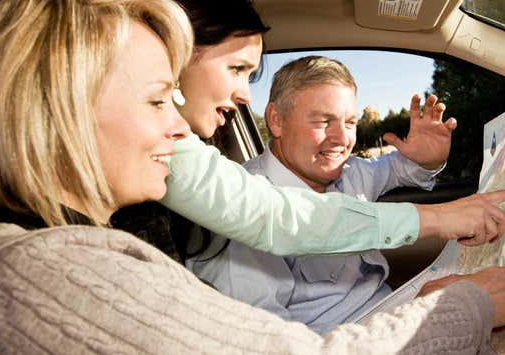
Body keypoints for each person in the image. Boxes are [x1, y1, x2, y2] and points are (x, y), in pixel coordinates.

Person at [0, 0, 505, 353]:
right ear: (63, 106)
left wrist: (428, 173)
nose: (178, 129)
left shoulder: (92, 242)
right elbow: (274, 220)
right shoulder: (47, 269)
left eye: (350, 122)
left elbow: (394, 173)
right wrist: (454, 301)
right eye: (160, 99)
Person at [188, 55, 457, 333]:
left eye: (350, 122)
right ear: (276, 120)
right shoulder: (239, 211)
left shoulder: (350, 172)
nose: (342, 139)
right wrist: (413, 317)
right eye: (324, 121)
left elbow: (397, 169)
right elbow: (269, 343)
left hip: (389, 312)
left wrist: (427, 161)